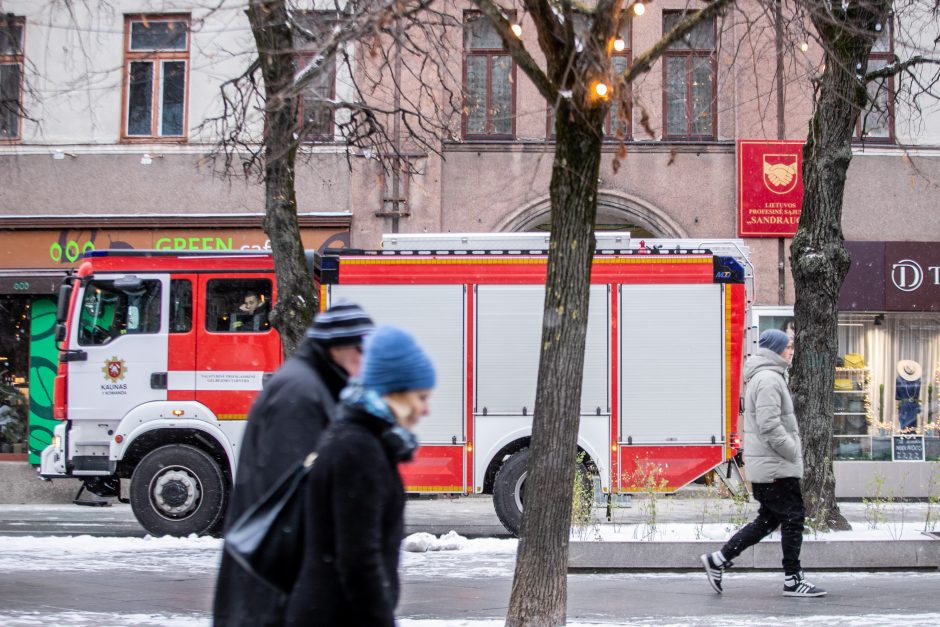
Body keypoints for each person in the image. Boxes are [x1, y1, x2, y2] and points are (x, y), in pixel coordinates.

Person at [213, 301, 374, 627]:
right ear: (337, 348)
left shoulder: (312, 388)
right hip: (273, 593)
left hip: (275, 588)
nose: (364, 364)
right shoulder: (301, 394)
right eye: (361, 351)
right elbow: (295, 501)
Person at [285, 326, 436, 626]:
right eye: (420, 396)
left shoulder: (356, 438)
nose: (426, 409)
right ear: (394, 392)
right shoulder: (359, 449)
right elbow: (358, 560)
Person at [700, 329, 826, 598]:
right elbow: (769, 425)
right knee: (793, 518)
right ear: (775, 350)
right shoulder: (769, 379)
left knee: (768, 520)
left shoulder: (768, 376)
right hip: (776, 466)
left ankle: (719, 560)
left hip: (770, 466)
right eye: (787, 346)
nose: (790, 350)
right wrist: (792, 450)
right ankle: (793, 579)